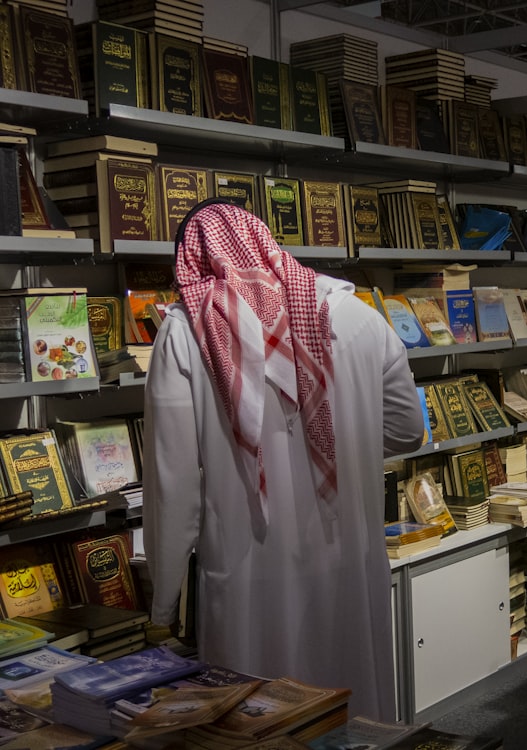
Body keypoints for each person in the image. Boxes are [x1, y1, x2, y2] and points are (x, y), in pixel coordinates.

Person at [142, 200, 424, 720]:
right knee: (356, 712)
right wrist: (349, 445)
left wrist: (163, 604)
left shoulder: (184, 334)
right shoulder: (362, 319)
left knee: (259, 719)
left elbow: (172, 486)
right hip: (350, 561)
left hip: (251, 576)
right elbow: (407, 433)